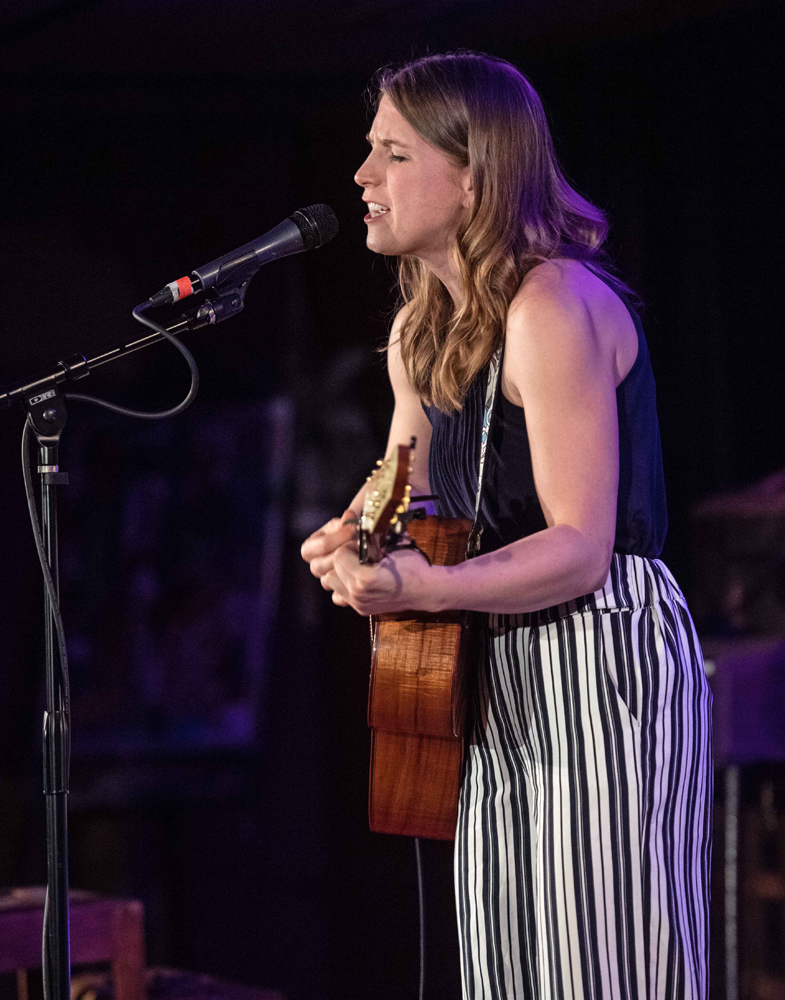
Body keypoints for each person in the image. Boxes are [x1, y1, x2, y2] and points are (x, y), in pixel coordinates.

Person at [301, 52, 712, 1000]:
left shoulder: (552, 306)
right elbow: (403, 484)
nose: (362, 176)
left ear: (473, 175)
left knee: (602, 961)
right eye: (369, 150)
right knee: (507, 967)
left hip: (598, 648)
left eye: (394, 153)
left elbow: (579, 548)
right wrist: (354, 536)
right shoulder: (419, 331)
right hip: (491, 655)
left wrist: (429, 586)